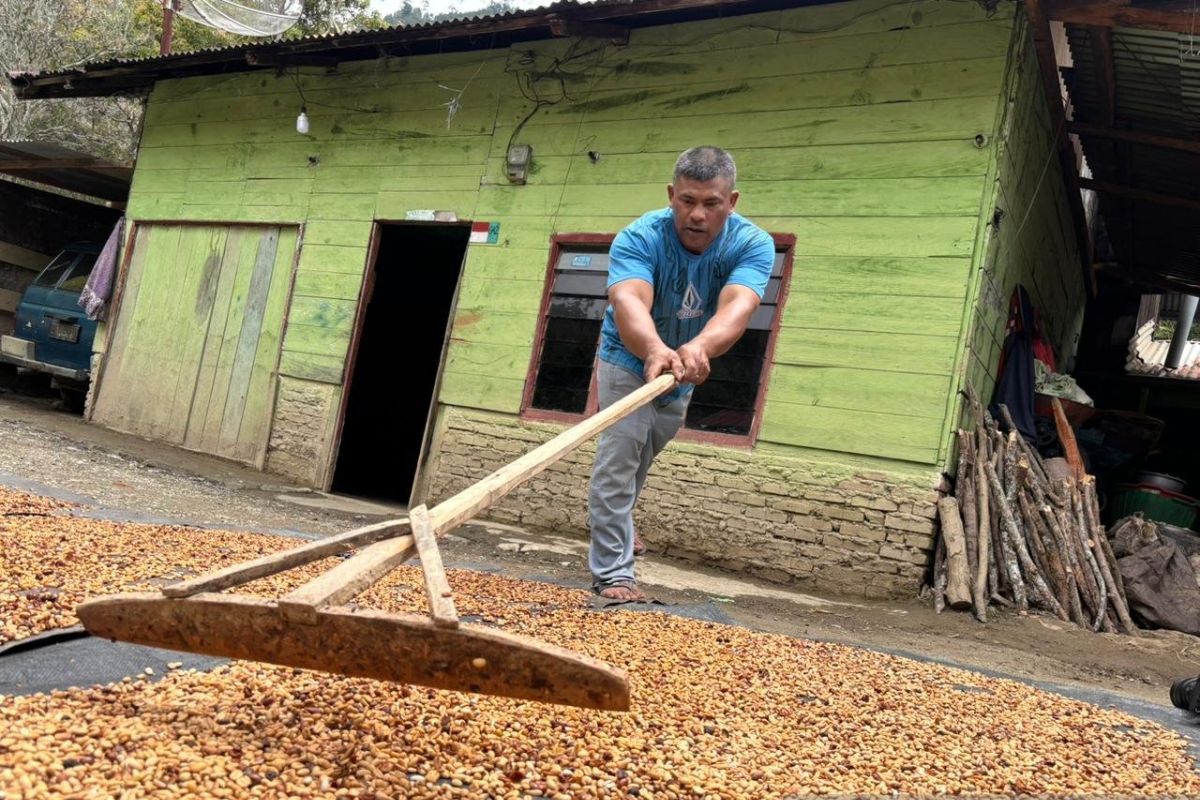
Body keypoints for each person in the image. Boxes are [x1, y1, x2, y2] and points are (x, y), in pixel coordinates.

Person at [588, 145, 775, 601]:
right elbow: (629, 300)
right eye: (687, 201)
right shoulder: (639, 237)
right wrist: (653, 347)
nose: (697, 214)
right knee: (621, 458)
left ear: (731, 202)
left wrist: (697, 348)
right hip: (627, 359)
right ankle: (614, 571)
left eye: (711, 203)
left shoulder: (752, 244)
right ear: (672, 194)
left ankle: (619, 524)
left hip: (687, 366)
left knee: (643, 455)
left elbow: (739, 306)